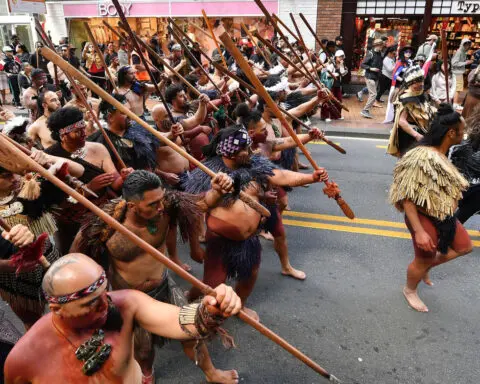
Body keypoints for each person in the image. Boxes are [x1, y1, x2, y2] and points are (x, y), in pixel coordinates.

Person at [72, 170, 240, 384]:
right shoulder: (104, 225)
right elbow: (74, 260)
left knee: (192, 332)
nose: (160, 207)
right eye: (152, 204)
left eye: (160, 200)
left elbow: (202, 204)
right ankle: (146, 374)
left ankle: (211, 373)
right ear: (132, 205)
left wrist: (216, 190)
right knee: (143, 350)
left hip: (164, 285)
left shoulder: (167, 207)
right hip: (132, 298)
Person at [4, 253, 242, 383]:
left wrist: (210, 309)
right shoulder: (24, 359)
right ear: (57, 309)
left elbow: (180, 320)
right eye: (90, 303)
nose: (105, 305)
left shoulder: (125, 303)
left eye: (104, 293)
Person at [183, 125, 329, 320]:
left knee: (250, 275)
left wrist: (310, 177)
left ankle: (240, 305)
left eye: (248, 147)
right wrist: (216, 192)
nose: (249, 152)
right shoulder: (207, 174)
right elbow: (196, 207)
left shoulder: (254, 165)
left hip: (249, 240)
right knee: (212, 286)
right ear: (229, 151)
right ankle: (196, 309)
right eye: (243, 148)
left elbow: (281, 176)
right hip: (220, 241)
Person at [389, 104, 473, 313]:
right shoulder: (421, 156)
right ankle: (410, 289)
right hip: (421, 217)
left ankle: (426, 267)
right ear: (451, 133)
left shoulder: (444, 153)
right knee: (423, 258)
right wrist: (419, 232)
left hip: (444, 215)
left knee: (464, 247)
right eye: (462, 131)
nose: (465, 134)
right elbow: (406, 197)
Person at [45, 107, 132, 254]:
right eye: (78, 132)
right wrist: (88, 188)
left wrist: (124, 177)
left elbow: (115, 183)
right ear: (63, 136)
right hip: (71, 223)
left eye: (84, 128)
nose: (84, 134)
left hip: (105, 215)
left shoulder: (98, 149)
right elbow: (55, 204)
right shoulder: (50, 158)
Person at [89, 94, 159, 170]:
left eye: (130, 111)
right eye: (124, 112)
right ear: (110, 117)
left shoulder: (137, 128)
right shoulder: (102, 142)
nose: (130, 115)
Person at [387, 65, 437, 157]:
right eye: (417, 82)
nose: (421, 84)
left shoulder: (421, 94)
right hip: (410, 137)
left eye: (421, 81)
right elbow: (401, 121)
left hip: (422, 133)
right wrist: (416, 135)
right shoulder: (406, 98)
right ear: (409, 83)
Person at [449, 106, 480, 224]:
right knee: (468, 207)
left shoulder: (474, 124)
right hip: (471, 181)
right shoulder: (474, 129)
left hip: (468, 179)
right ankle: (446, 234)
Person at [360, 38, 384, 119]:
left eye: (382, 46)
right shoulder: (370, 53)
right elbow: (363, 65)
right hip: (370, 76)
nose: (382, 47)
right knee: (374, 94)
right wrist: (371, 68)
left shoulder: (380, 53)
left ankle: (366, 110)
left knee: (372, 94)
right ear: (377, 45)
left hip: (376, 77)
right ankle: (365, 110)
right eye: (381, 46)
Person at [452, 38, 473, 109]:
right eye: (466, 45)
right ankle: (455, 104)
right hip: (457, 72)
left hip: (458, 72)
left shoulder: (463, 52)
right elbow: (454, 63)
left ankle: (455, 103)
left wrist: (466, 61)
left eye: (468, 45)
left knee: (458, 88)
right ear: (463, 45)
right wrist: (466, 62)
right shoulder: (459, 52)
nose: (467, 47)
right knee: (458, 88)